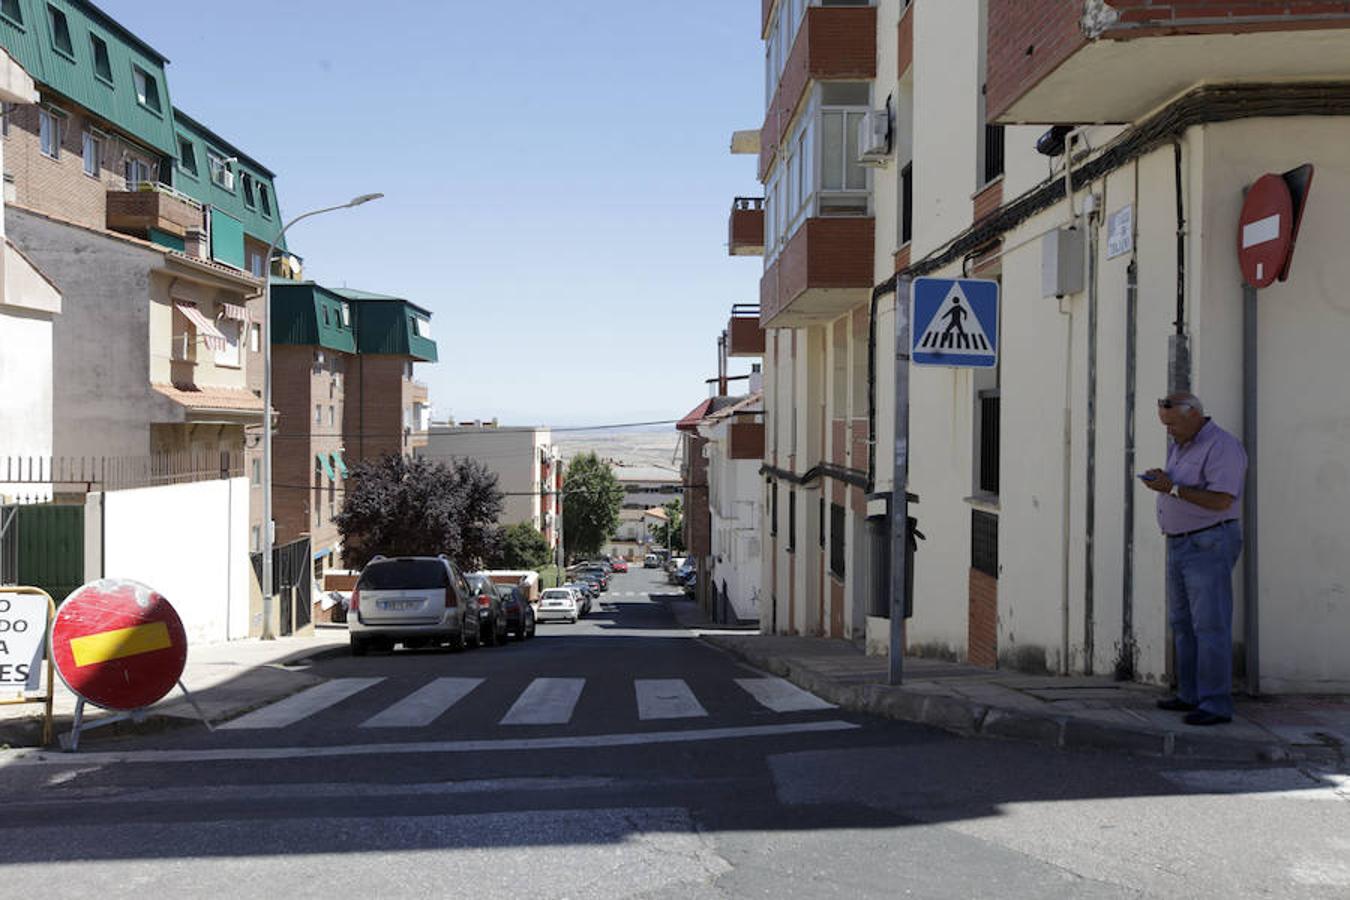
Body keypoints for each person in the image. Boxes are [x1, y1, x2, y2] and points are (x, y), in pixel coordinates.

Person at [1142, 391, 1247, 726]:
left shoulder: (1222, 447)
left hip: (1209, 544)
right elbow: (1180, 484)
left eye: (1172, 423)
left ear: (1194, 415)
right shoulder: (1181, 445)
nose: (1168, 430)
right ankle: (1189, 694)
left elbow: (1221, 500)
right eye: (1164, 423)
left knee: (1210, 626)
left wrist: (1171, 488)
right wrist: (1164, 480)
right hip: (1180, 543)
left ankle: (1216, 704)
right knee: (1182, 624)